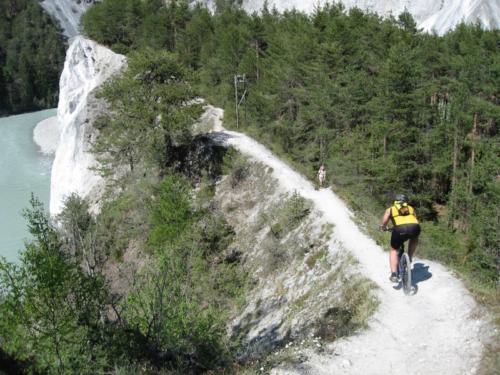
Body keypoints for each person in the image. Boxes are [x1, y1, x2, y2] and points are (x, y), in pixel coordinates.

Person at [379, 194, 421, 282]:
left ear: (395, 201)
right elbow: (415, 218)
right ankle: (409, 257)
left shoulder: (390, 209)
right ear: (406, 201)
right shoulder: (410, 208)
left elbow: (385, 221)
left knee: (394, 249)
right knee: (414, 238)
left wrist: (383, 227)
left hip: (399, 229)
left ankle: (394, 274)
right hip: (414, 227)